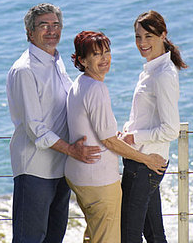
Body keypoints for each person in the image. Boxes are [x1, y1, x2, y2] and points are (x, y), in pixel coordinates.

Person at [6, 3, 101, 243]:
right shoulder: (24, 70)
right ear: (30, 33)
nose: (51, 31)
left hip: (61, 169)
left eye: (56, 25)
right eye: (44, 26)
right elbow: (34, 127)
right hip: (35, 170)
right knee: (29, 239)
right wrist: (71, 149)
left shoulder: (56, 61)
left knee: (54, 237)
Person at [65, 31, 167, 243]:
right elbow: (108, 141)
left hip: (79, 175)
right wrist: (148, 160)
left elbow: (99, 133)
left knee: (94, 233)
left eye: (107, 52)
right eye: (96, 55)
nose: (104, 59)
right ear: (82, 60)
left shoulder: (79, 83)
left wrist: (116, 137)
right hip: (98, 180)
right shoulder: (96, 88)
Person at [120, 10, 188, 243]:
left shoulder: (162, 75)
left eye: (149, 36)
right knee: (154, 234)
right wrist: (128, 130)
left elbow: (171, 129)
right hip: (142, 161)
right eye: (138, 37)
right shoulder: (152, 70)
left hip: (145, 165)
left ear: (163, 35)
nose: (142, 43)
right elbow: (146, 116)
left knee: (128, 235)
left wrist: (134, 137)